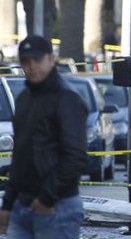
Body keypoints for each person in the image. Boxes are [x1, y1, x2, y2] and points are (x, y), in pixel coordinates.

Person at [0, 35, 88, 238]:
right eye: (26, 62)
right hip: (22, 207)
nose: (32, 67)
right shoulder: (23, 99)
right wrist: (8, 203)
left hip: (57, 208)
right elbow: (20, 156)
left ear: (51, 59)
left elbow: (75, 157)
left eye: (37, 60)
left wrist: (47, 199)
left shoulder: (67, 98)